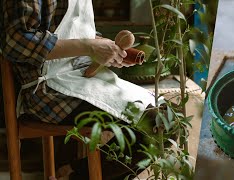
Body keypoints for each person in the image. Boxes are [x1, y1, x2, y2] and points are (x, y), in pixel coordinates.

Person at [0, 0, 158, 179]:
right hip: (48, 90)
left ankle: (71, 173)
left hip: (83, 77)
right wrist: (89, 47)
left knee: (166, 122)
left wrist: (105, 48)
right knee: (154, 124)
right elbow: (16, 41)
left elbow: (76, 31)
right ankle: (73, 175)